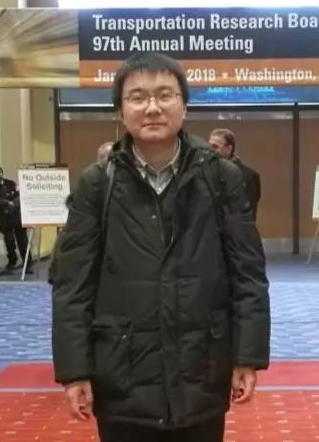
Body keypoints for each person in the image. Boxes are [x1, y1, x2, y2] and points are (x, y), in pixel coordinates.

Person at [52, 52, 270, 442]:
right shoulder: (97, 184)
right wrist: (74, 370)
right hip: (120, 374)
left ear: (184, 105)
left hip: (201, 369)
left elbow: (247, 274)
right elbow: (73, 285)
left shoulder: (221, 179)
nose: (152, 107)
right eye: (137, 97)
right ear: (120, 111)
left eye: (165, 95)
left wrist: (247, 356)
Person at [0, 165, 33, 274]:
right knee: (9, 241)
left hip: (16, 216)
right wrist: (6, 203)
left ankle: (28, 264)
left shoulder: (11, 183)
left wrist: (13, 204)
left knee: (23, 241)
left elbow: (20, 196)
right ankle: (12, 261)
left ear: (2, 172)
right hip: (4, 218)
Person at [209, 128, 261, 220]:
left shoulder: (248, 176)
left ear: (229, 149)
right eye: (208, 146)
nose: (209, 150)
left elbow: (248, 215)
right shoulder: (205, 174)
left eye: (215, 147)